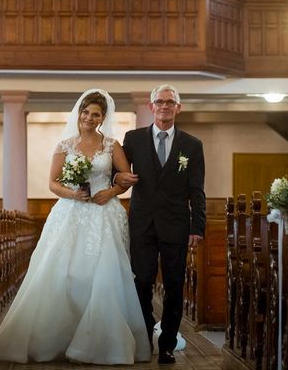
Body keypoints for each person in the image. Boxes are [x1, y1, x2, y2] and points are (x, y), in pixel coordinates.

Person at [0, 89, 151, 365]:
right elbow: (53, 183)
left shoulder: (111, 145)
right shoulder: (65, 145)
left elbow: (126, 178)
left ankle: (101, 342)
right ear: (79, 113)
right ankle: (57, 338)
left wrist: (110, 192)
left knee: (104, 273)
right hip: (71, 212)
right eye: (85, 112)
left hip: (102, 214)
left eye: (95, 114)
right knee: (64, 273)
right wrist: (74, 194)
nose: (89, 117)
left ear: (102, 118)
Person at [115, 84, 206, 365]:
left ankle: (167, 343)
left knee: (174, 285)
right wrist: (117, 181)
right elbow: (116, 174)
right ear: (151, 106)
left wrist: (197, 226)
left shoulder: (192, 145)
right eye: (160, 101)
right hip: (142, 223)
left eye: (170, 102)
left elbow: (196, 189)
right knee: (141, 282)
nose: (164, 106)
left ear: (178, 108)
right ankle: (145, 333)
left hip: (176, 225)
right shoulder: (133, 139)